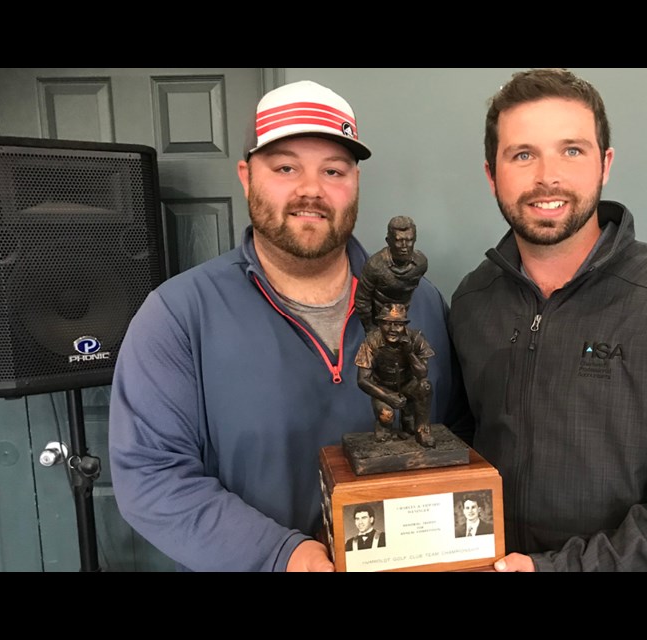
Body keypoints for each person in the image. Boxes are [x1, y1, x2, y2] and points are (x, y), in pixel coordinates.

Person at [108, 79, 467, 572]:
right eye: (285, 167)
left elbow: (448, 434)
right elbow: (152, 478)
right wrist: (282, 555)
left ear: (355, 182)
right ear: (246, 175)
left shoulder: (421, 302)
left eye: (334, 170)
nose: (311, 190)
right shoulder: (178, 315)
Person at [449, 68, 647, 572]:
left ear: (604, 163)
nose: (547, 176)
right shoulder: (471, 300)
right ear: (491, 174)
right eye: (522, 155)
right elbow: (458, 451)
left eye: (572, 150)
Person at [355, 302, 435, 447]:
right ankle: (384, 427)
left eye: (398, 324)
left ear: (404, 325)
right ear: (379, 323)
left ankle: (422, 430)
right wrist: (387, 396)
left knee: (425, 386)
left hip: (408, 384)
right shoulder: (371, 342)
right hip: (384, 387)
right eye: (387, 323)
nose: (392, 329)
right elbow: (362, 379)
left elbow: (422, 374)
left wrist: (409, 352)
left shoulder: (416, 338)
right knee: (386, 416)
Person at [354, 215, 428, 334]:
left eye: (409, 240)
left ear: (415, 240)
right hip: (378, 318)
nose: (404, 246)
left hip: (403, 316)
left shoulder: (421, 264)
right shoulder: (375, 266)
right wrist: (369, 329)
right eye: (399, 240)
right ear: (389, 241)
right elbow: (362, 300)